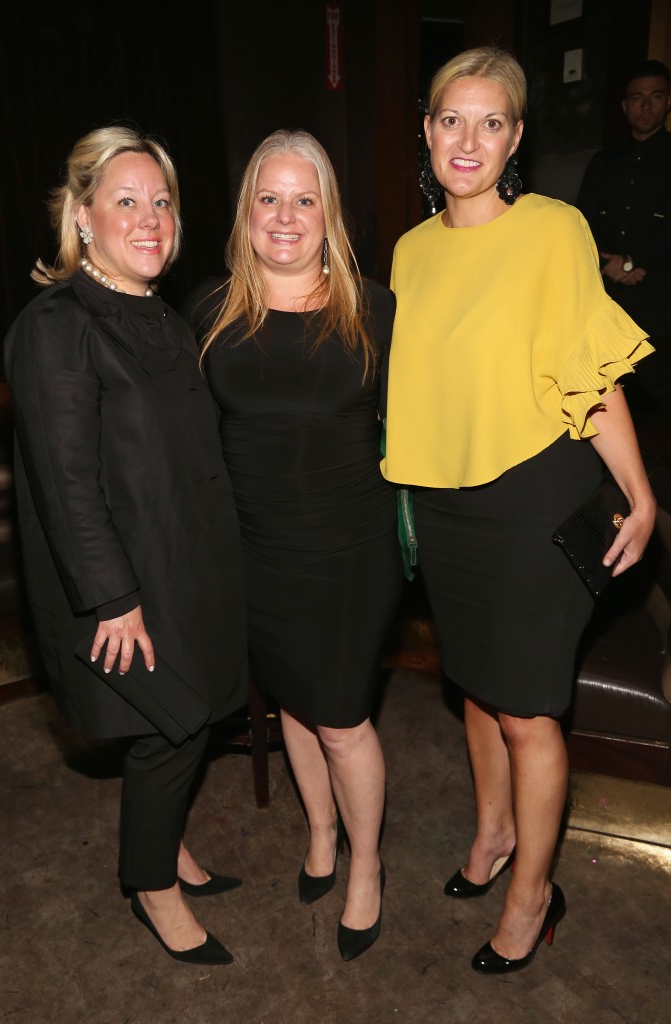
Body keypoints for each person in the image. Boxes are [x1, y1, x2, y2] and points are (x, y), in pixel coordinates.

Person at [382, 47, 657, 974]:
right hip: (447, 506)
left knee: (530, 712)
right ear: (426, 132)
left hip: (534, 497)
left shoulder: (552, 231)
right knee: (474, 687)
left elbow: (589, 370)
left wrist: (642, 490)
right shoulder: (410, 252)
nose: (468, 140)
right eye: (450, 120)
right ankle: (492, 833)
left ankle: (534, 894)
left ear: (516, 138)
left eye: (490, 122)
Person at [3, 125, 249, 966]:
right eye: (125, 202)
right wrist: (112, 599)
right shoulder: (56, 327)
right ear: (80, 218)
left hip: (187, 564)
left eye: (161, 201)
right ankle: (149, 883)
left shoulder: (164, 319)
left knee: (190, 725)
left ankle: (166, 846)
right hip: (127, 581)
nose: (150, 219)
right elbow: (64, 483)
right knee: (170, 729)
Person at [183, 129, 401, 961]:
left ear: (327, 214)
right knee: (293, 706)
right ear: (246, 213)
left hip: (350, 549)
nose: (285, 215)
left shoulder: (373, 307)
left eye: (303, 198)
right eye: (268, 198)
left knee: (341, 718)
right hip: (254, 550)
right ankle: (319, 834)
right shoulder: (208, 308)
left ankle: (367, 865)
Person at [576, 59, 671, 422]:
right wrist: (607, 264)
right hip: (607, 297)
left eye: (655, 96)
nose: (646, 106)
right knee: (605, 399)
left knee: (658, 403)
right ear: (624, 105)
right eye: (637, 97)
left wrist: (632, 262)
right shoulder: (603, 162)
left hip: (661, 299)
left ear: (667, 102)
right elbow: (580, 223)